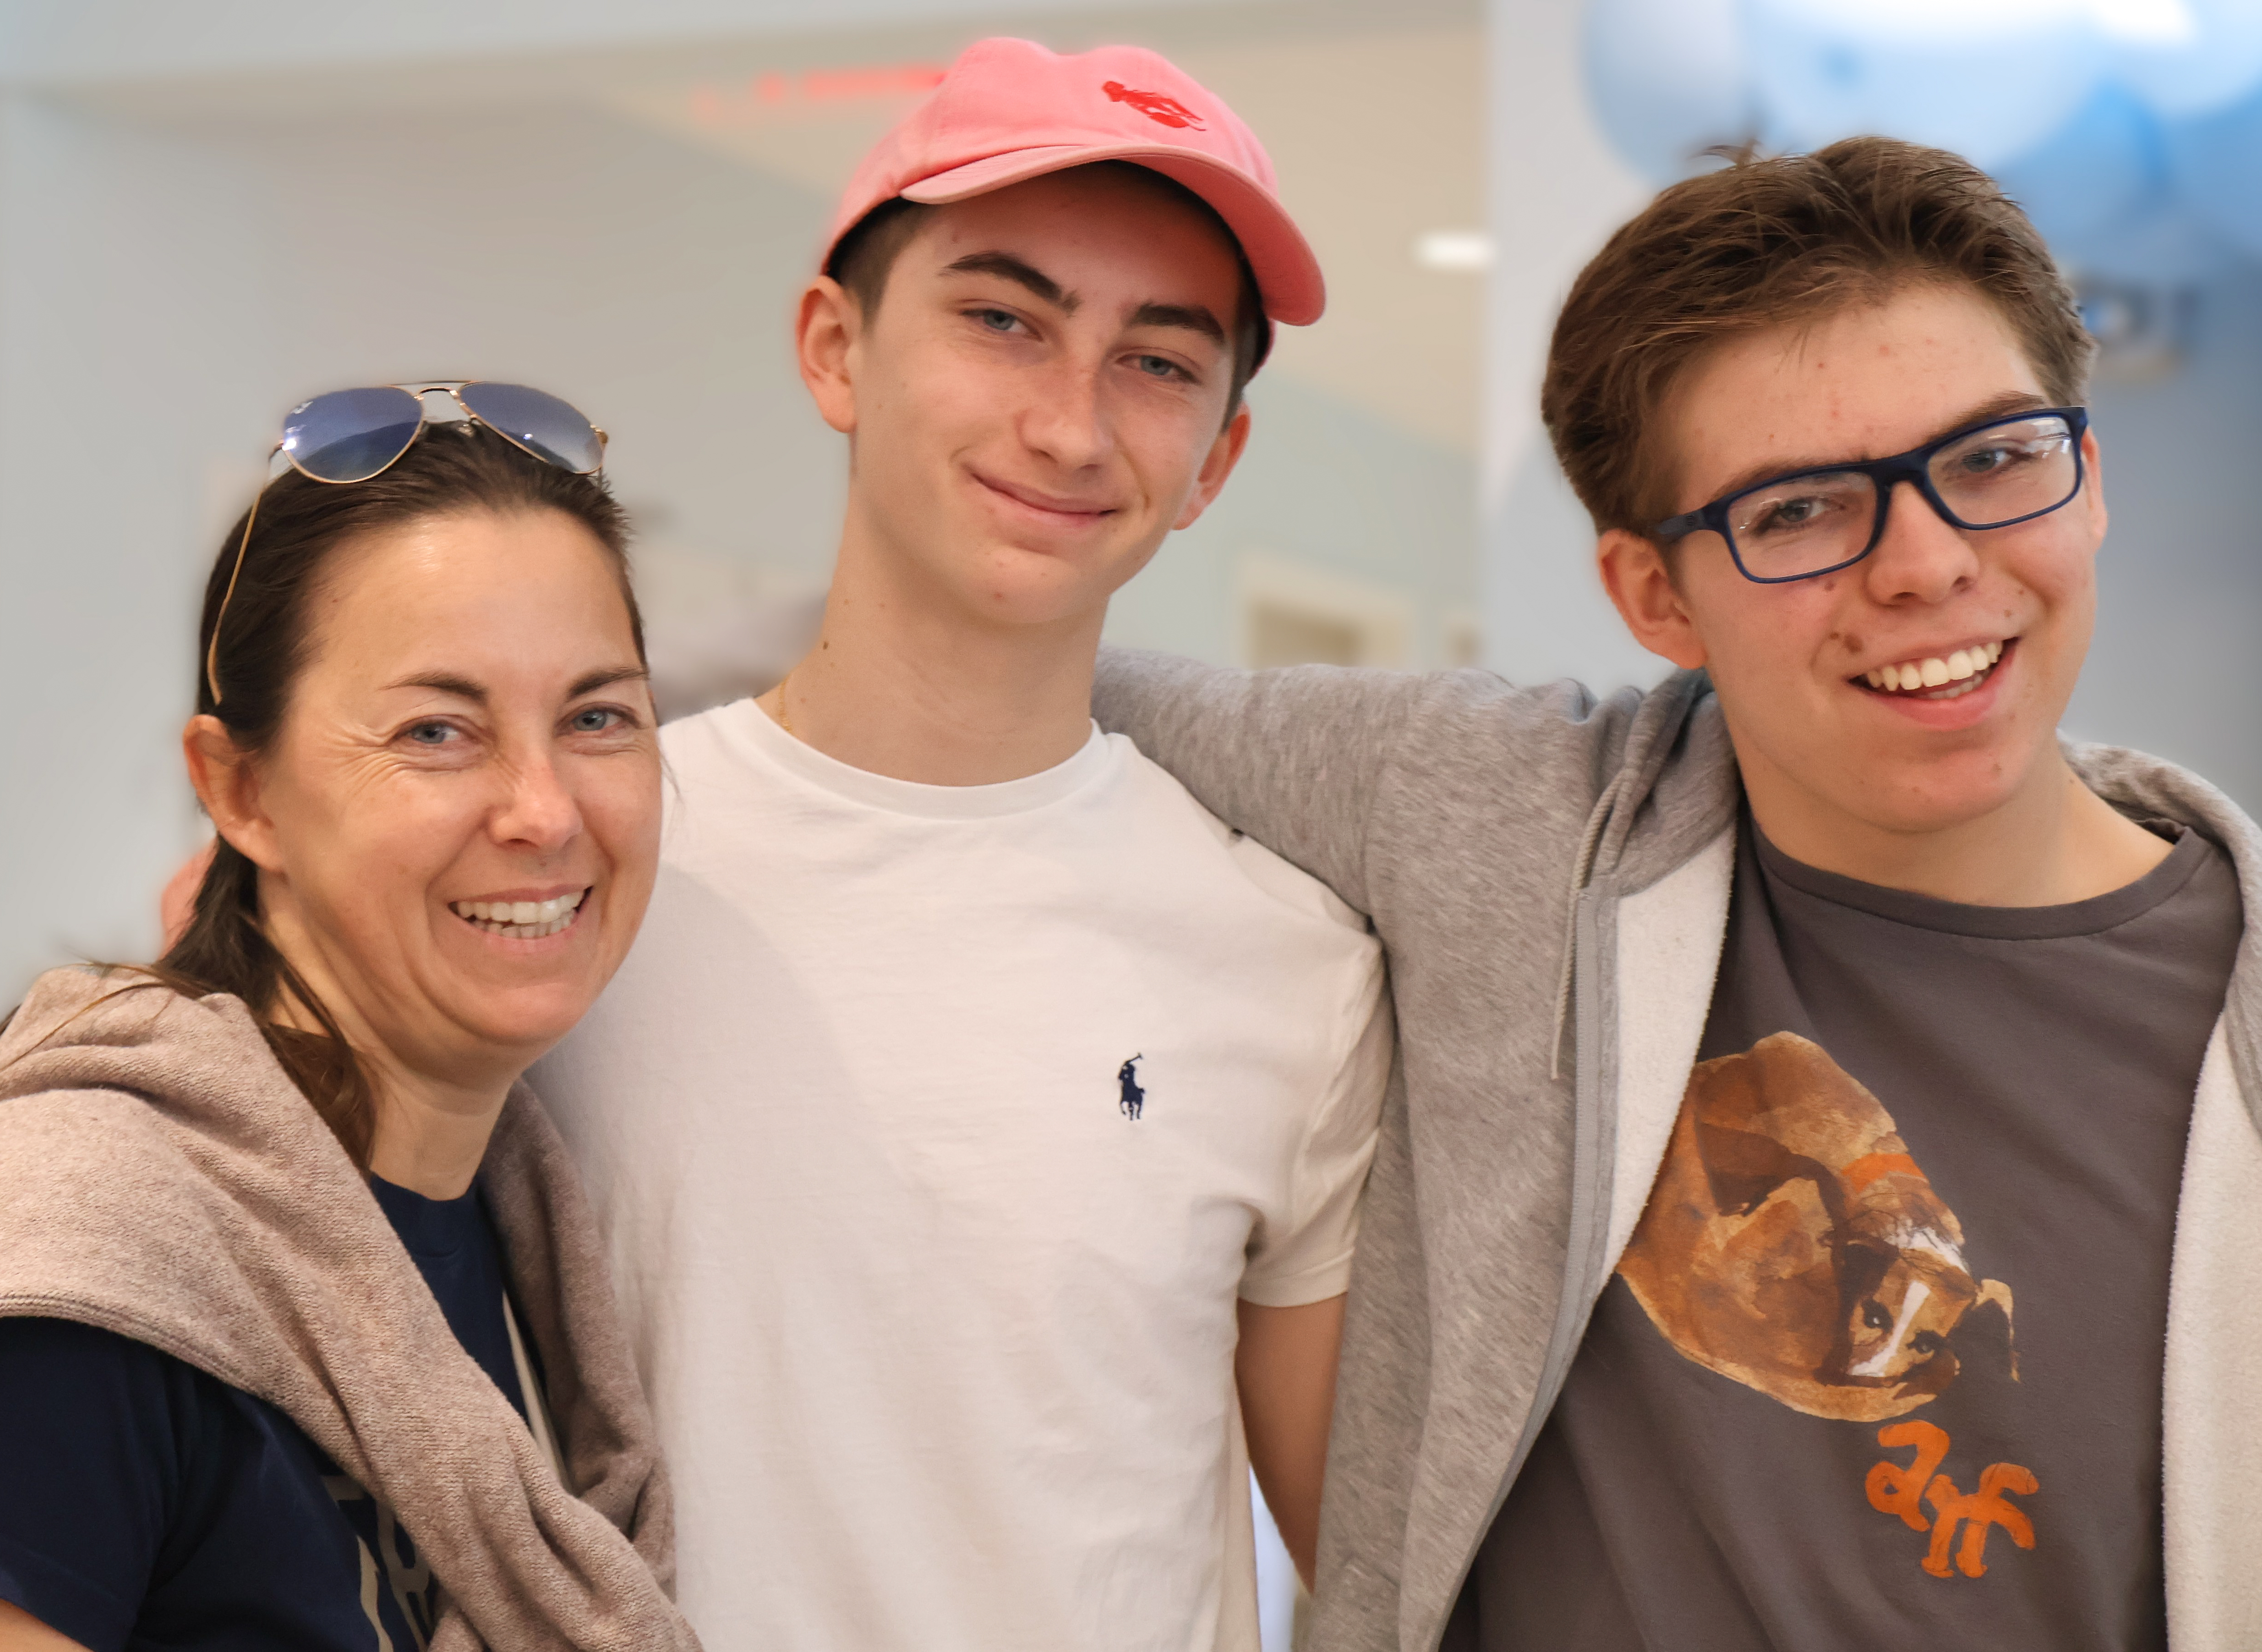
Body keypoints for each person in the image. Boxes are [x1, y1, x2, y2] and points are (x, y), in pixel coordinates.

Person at [1093, 138, 2261, 1650]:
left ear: (2084, 480)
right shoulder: (1503, 819)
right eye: (1796, 512)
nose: (1923, 564)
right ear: (1655, 596)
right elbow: (1035, 694)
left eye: (1990, 461)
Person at [531, 38, 1389, 1652]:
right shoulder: (578, 869)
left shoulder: (1290, 963)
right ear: (834, 349)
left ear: (1217, 458)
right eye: (1003, 321)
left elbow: (1375, 1559)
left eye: (1157, 361)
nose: (1070, 426)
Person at [0, 392, 698, 1652]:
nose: (544, 812)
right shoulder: (81, 1256)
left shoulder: (524, 1238)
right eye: (437, 731)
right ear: (242, 792)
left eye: (597, 716)